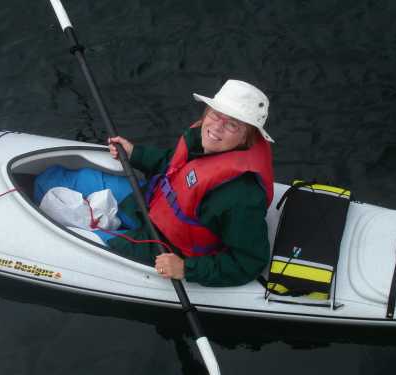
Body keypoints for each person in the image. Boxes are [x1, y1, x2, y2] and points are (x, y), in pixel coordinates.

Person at [35, 79, 274, 287]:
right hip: (147, 202)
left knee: (71, 238)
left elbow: (249, 262)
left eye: (233, 124)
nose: (217, 127)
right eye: (216, 114)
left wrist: (186, 269)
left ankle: (103, 226)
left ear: (247, 137)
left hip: (164, 246)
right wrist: (136, 153)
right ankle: (107, 220)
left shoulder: (242, 197)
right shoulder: (201, 138)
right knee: (47, 180)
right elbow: (173, 166)